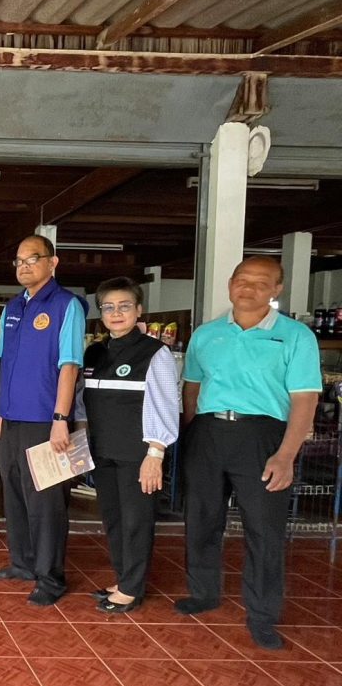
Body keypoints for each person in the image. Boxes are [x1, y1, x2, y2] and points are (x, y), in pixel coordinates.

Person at [177, 257, 320, 649]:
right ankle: (203, 592)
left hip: (263, 436)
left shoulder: (295, 336)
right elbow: (192, 387)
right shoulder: (206, 334)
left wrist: (286, 455)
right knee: (202, 519)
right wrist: (193, 432)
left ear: (277, 290)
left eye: (261, 283)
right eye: (242, 280)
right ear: (230, 284)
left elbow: (305, 399)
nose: (249, 288)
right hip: (208, 432)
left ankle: (262, 615)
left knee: (264, 529)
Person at [0, 235, 87, 606]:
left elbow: (69, 366)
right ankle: (23, 563)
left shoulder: (67, 305)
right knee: (15, 493)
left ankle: (50, 578)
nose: (23, 266)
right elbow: (6, 364)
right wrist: (1, 412)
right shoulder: (13, 307)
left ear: (53, 262)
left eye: (32, 258)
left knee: (47, 503)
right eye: (18, 261)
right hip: (12, 419)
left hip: (46, 421)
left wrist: (61, 418)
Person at [81, 276, 179, 613]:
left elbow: (165, 405)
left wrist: (155, 453)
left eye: (124, 306)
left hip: (138, 454)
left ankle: (132, 589)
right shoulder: (95, 352)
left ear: (138, 310)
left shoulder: (155, 353)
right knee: (114, 519)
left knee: (137, 521)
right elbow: (87, 402)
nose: (116, 313)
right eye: (108, 307)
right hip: (103, 450)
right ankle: (124, 578)